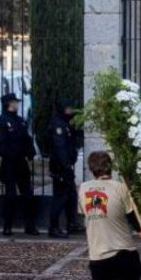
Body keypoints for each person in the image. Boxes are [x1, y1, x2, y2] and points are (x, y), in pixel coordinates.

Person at [79, 151, 141, 280]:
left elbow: (83, 213)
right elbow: (135, 220)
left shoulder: (83, 189)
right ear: (110, 167)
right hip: (124, 252)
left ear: (91, 168)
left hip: (98, 256)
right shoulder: (121, 188)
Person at [0, 93, 39, 236]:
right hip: (9, 163)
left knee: (28, 194)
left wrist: (30, 154)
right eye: (15, 102)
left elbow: (27, 139)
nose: (17, 104)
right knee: (10, 195)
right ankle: (7, 226)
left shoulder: (20, 121)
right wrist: (10, 153)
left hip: (21, 162)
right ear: (9, 103)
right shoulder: (0, 122)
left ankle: (30, 225)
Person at [48, 99, 84, 239]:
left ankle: (72, 223)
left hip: (66, 165)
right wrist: (66, 165)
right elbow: (59, 147)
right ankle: (54, 227)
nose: (70, 111)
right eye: (68, 108)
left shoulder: (65, 123)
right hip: (60, 166)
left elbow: (71, 142)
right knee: (60, 197)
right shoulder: (58, 125)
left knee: (71, 195)